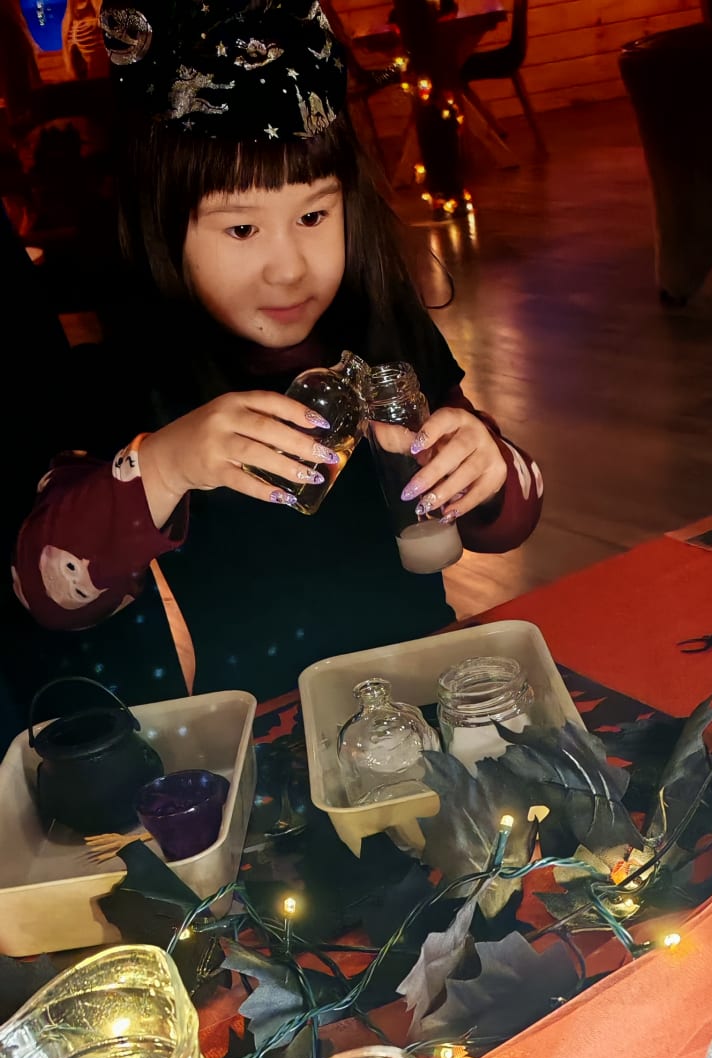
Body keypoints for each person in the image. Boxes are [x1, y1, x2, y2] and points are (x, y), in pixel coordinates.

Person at [12, 0, 543, 705]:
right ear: (163, 227)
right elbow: (47, 592)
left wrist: (489, 469)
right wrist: (165, 463)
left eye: (314, 214)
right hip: (263, 725)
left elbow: (510, 519)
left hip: (422, 689)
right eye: (241, 230)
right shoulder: (131, 375)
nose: (289, 269)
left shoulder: (383, 327)